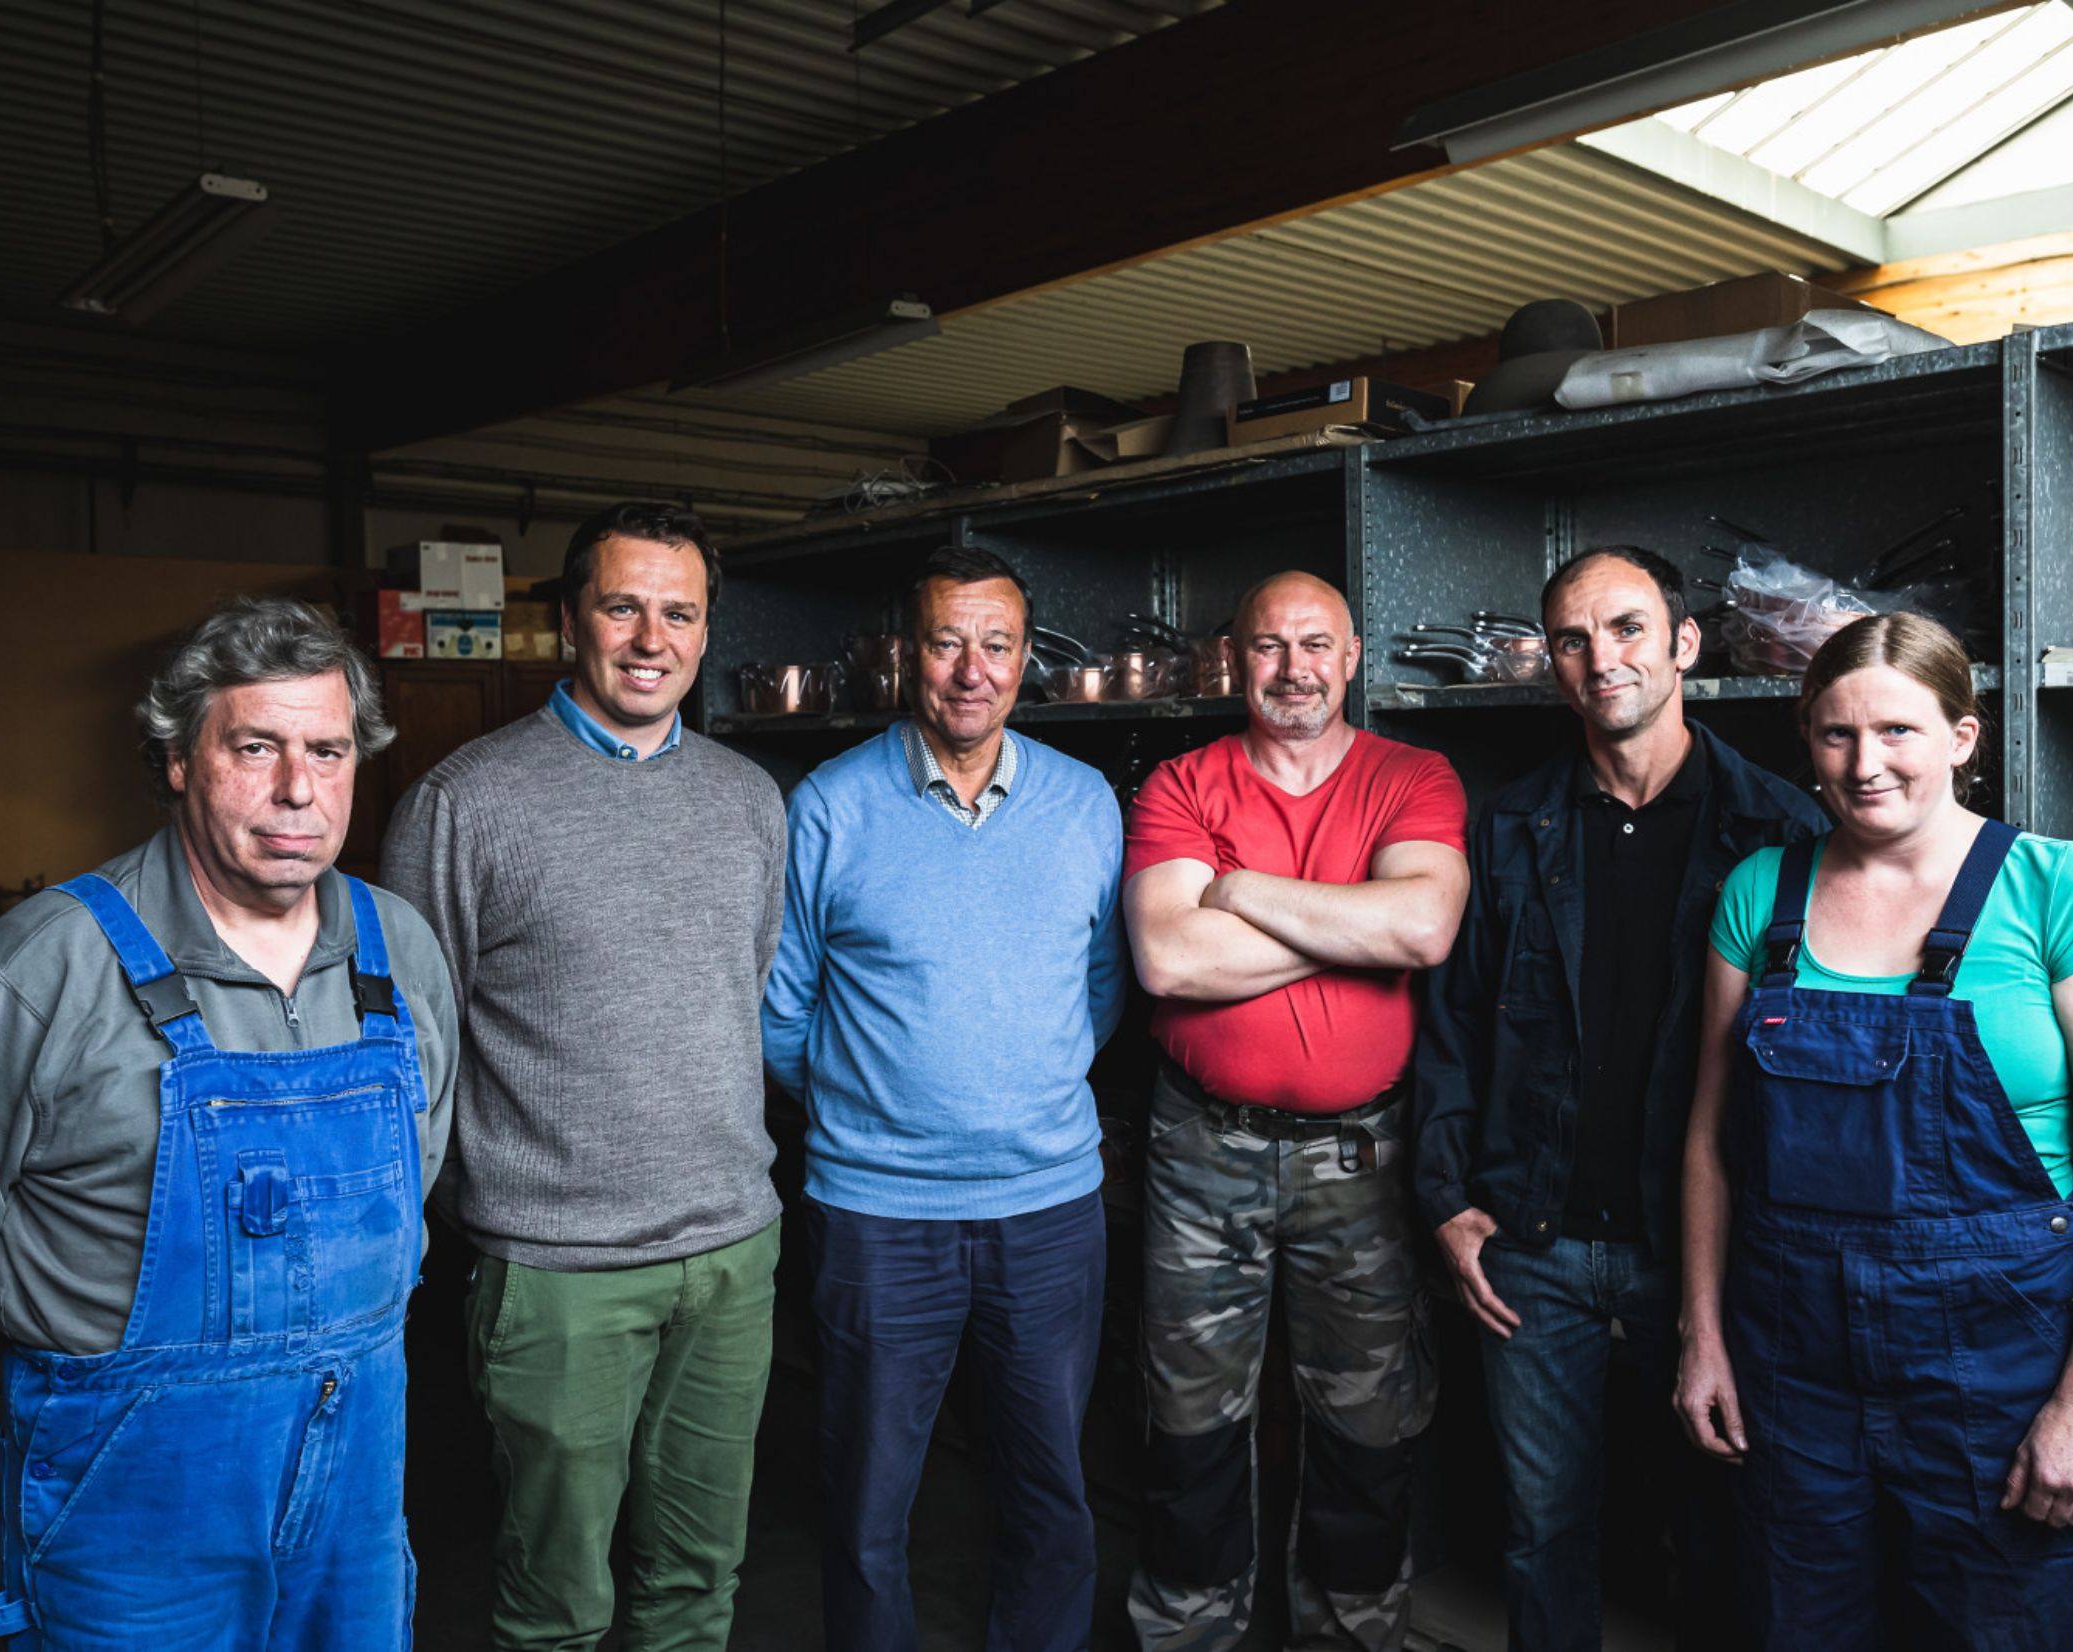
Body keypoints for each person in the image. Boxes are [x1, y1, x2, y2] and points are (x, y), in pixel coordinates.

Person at [0, 596, 459, 1648]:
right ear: (177, 759)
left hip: (357, 1479)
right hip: (134, 1494)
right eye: (254, 748)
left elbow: (422, 1156)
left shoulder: (396, 945)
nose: (298, 788)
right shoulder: (48, 963)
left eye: (327, 750)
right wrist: (76, 1379)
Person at [1674, 613, 2073, 1650]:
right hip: (1793, 1358)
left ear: (1961, 736)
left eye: (1897, 730)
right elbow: (1711, 1144)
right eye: (1836, 734)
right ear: (1808, 740)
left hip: (2001, 1362)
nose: (1864, 765)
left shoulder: (2059, 889)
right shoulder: (1759, 891)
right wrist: (1702, 1335)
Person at [381, 503, 788, 1652]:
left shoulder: (748, 797)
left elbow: (742, 982)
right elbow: (409, 1039)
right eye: (622, 607)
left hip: (730, 1253)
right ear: (569, 622)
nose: (651, 638)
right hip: (557, 1270)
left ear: (705, 632)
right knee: (555, 1604)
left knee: (697, 1581)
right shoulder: (465, 801)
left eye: (679, 613)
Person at [1414, 547, 1826, 1651]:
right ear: (1552, 664)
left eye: (1628, 627)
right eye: (1573, 639)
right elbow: (1451, 1022)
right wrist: (1446, 1197)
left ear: (1684, 643)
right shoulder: (1512, 825)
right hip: (1533, 1244)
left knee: (1718, 1528)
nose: (1603, 659)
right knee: (1541, 1531)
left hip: (1705, 1252)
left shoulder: (1779, 829)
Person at [761, 545, 1127, 1652]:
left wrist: (1013, 1088)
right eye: (945, 642)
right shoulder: (830, 805)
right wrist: (878, 1113)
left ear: (1026, 658)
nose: (972, 670)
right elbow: (783, 1010)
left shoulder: (1083, 802)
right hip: (878, 1214)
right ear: (905, 654)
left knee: (1050, 1486)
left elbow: (1100, 986)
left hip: (1049, 1209)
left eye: (996, 645)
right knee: (868, 1496)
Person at [1123, 570, 1469, 1652]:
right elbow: (1169, 959)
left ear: (1352, 656)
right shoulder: (1181, 783)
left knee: (1367, 1426)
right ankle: (1187, 1635)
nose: (1294, 668)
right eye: (1269, 646)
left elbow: (1424, 930)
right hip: (1202, 1149)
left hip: (1362, 1157)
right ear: (1236, 659)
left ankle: (1350, 1634)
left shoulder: (1413, 776)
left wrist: (1239, 891)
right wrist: (1356, 924)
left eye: (1316, 644)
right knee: (1188, 1421)